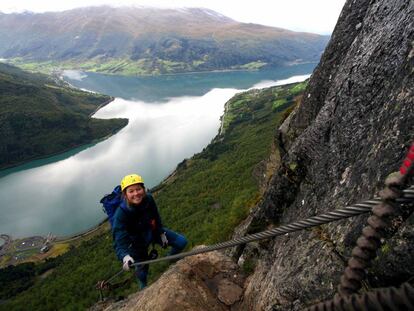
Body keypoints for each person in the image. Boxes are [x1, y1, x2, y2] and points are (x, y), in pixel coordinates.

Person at [112, 174, 187, 289]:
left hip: (152, 232)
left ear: (143, 189)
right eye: (131, 191)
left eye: (138, 189)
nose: (136, 193)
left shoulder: (148, 199)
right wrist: (125, 256)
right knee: (142, 272)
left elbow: (156, 216)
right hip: (136, 244)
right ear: (125, 195)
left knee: (181, 242)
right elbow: (119, 239)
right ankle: (143, 289)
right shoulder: (121, 214)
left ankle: (170, 259)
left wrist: (161, 233)